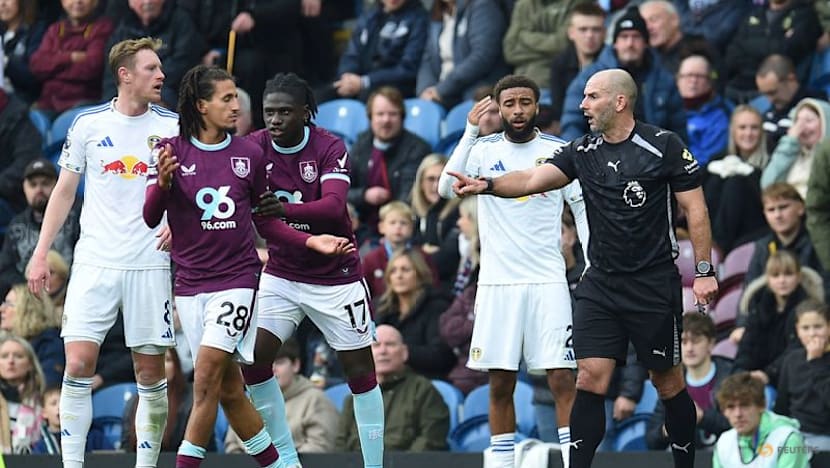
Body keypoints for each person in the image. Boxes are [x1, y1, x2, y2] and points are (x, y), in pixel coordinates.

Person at [448, 68, 719, 468]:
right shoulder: (582, 150)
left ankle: (684, 463)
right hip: (600, 285)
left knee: (667, 381)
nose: (583, 105)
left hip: (652, 283)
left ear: (619, 101)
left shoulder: (663, 145)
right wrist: (487, 185)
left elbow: (695, 209)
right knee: (588, 378)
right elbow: (530, 179)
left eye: (592, 97)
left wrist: (703, 269)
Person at [141, 64, 353, 468]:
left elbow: (266, 220)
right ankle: (282, 465)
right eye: (226, 98)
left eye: (236, 96)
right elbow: (151, 217)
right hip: (189, 283)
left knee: (204, 378)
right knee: (229, 391)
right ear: (201, 105)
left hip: (237, 281)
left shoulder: (248, 153)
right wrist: (164, 186)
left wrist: (310, 239)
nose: (237, 105)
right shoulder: (170, 150)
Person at [26, 37, 179, 468]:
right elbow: (63, 192)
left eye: (161, 68)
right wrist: (41, 252)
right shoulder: (88, 125)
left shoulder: (172, 126)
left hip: (149, 261)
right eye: (151, 68)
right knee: (76, 363)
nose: (162, 76)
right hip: (94, 260)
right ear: (125, 75)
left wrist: (176, 224)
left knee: (151, 372)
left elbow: (190, 189)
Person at [438, 74, 590, 468]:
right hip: (497, 282)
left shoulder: (559, 150)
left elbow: (583, 207)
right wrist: (470, 130)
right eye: (509, 103)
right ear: (497, 107)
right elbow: (442, 188)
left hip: (548, 279)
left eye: (525, 102)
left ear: (537, 106)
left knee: (561, 378)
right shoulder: (482, 148)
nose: (518, 110)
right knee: (501, 381)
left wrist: (591, 261)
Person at [240, 71, 384, 468]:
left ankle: (375, 465)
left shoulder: (329, 146)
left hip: (336, 276)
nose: (275, 120)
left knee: (360, 374)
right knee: (253, 362)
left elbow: (334, 207)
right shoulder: (252, 147)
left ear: (306, 113)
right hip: (283, 274)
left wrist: (283, 209)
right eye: (269, 112)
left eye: (285, 112)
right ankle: (286, 459)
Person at [559, 6, 686, 142]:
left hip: (654, 156)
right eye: (624, 37)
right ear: (615, 43)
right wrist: (579, 158)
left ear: (646, 43)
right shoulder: (590, 77)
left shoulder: (664, 80)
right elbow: (572, 123)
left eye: (636, 37)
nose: (630, 43)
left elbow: (678, 129)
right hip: (601, 155)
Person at [336, 324, 449, 452]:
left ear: (404, 353)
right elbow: (340, 445)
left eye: (390, 344)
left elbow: (431, 440)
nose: (383, 351)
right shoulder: (354, 397)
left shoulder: (423, 390)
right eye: (376, 345)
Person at [224, 338, 339, 454]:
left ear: (295, 365)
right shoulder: (246, 401)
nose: (272, 369)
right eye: (264, 364)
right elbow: (232, 446)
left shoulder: (315, 399)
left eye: (279, 363)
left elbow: (320, 447)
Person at [347, 87, 432, 235]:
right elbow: (342, 188)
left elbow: (409, 197)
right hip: (361, 226)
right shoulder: (361, 144)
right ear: (370, 118)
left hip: (399, 229)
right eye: (380, 114)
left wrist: (389, 224)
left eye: (392, 114)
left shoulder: (417, 149)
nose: (386, 120)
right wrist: (364, 195)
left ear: (402, 117)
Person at [733, 251, 824, 386]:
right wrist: (741, 373)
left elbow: (796, 350)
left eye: (788, 274)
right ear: (768, 279)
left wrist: (768, 374)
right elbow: (747, 345)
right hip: (757, 378)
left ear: (799, 277)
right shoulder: (758, 306)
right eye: (775, 275)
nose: (782, 280)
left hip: (791, 379)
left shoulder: (808, 311)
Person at [646, 313, 732, 450]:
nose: (689, 348)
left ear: (711, 343)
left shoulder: (730, 377)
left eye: (696, 341)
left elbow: (740, 425)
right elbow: (651, 440)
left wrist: (702, 418)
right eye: (683, 342)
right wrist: (668, 429)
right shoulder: (670, 382)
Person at [0, 158, 80, 298]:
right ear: (24, 187)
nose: (39, 189)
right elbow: (5, 269)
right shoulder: (16, 225)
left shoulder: (76, 217)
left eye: (45, 183)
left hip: (70, 294)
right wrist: (30, 287)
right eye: (33, 184)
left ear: (57, 185)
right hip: (30, 298)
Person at [375, 248, 454, 380]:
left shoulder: (437, 306)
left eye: (405, 270)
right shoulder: (383, 308)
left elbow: (441, 355)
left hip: (425, 380)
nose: (399, 276)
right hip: (387, 379)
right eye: (393, 271)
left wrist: (402, 352)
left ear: (420, 274)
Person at [29, 0, 114, 116]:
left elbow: (93, 67)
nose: (78, 2)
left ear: (95, 2)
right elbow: (36, 65)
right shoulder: (55, 29)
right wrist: (70, 57)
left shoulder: (103, 27)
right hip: (47, 103)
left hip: (82, 104)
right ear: (62, 2)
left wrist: (53, 64)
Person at [702, 105, 769, 254]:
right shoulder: (718, 159)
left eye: (754, 128)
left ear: (762, 132)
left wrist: (750, 174)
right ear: (733, 131)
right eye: (742, 128)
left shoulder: (771, 160)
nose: (748, 133)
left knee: (735, 183)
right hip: (717, 226)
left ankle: (718, 247)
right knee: (714, 181)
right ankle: (710, 242)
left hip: (756, 227)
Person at [713, 372, 810, 468]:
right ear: (724, 411)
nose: (738, 414)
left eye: (745, 405)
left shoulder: (788, 439)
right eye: (730, 407)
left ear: (762, 405)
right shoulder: (724, 443)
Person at [121, 349, 208, 453]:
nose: (160, 366)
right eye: (155, 361)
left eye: (166, 360)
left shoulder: (191, 401)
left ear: (176, 365)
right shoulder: (134, 402)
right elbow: (126, 448)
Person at [774, 299, 830, 452]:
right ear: (798, 331)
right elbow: (782, 404)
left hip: (824, 435)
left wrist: (816, 362)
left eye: (818, 327)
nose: (812, 333)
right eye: (805, 328)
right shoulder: (792, 359)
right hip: (795, 433)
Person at [761, 98, 830, 200]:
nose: (801, 127)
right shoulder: (790, 154)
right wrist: (790, 142)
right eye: (797, 121)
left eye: (809, 120)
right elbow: (768, 186)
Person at [0, 284, 63, 387]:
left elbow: (47, 387)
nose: (2, 309)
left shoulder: (50, 344)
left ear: (29, 310)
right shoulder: (5, 342)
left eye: (9, 304)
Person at [0, 334, 46, 453]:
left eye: (18, 356)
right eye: (4, 356)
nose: (11, 361)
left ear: (30, 364)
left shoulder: (43, 402)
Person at [31, 385, 61, 455]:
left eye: (64, 402)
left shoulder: (82, 436)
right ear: (44, 413)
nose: (60, 406)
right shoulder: (40, 444)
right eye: (54, 403)